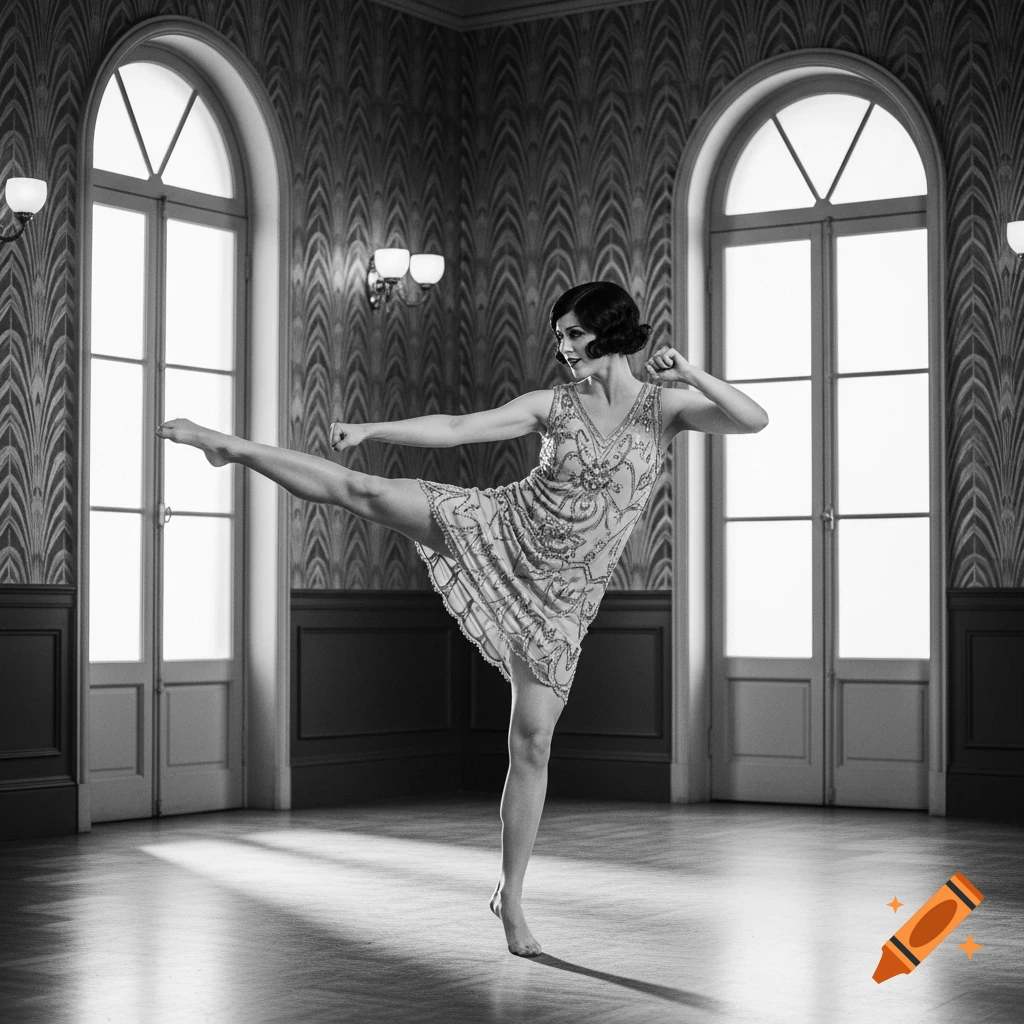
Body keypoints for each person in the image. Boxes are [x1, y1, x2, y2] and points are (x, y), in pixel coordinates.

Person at [156, 280, 768, 957]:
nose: (563, 347)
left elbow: (753, 419)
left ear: (611, 331)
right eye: (559, 335)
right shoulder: (551, 405)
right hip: (502, 529)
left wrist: (692, 372)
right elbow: (456, 429)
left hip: (565, 597)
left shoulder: (666, 408)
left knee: (532, 744)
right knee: (363, 490)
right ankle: (230, 447)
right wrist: (373, 430)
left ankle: (509, 892)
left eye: (574, 334)